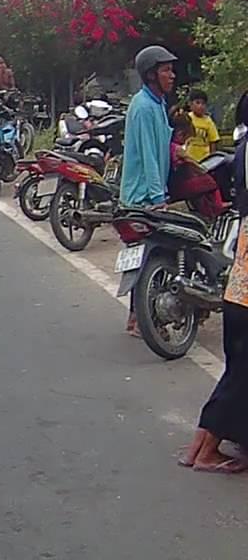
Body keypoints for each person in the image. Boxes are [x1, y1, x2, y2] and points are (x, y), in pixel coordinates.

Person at [179, 91, 248, 474]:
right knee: (241, 371)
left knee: (237, 366)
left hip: (241, 270)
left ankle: (198, 448)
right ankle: (205, 450)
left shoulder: (242, 150)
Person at [121, 45, 179, 337]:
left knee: (144, 259)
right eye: (166, 70)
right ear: (152, 74)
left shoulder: (156, 104)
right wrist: (158, 198)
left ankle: (135, 318)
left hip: (145, 192)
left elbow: (161, 145)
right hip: (143, 196)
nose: (172, 75)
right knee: (159, 257)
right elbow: (148, 156)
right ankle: (149, 320)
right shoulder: (144, 107)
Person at [185, 89, 220, 163]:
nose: (200, 106)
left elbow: (213, 141)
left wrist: (212, 160)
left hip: (204, 159)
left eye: (203, 103)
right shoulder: (187, 118)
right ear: (190, 104)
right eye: (197, 103)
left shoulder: (208, 121)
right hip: (188, 158)